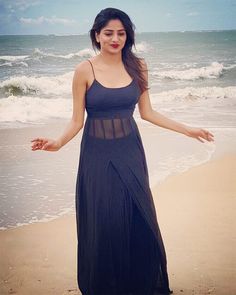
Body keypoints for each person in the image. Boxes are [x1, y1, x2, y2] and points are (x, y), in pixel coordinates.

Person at [31, 7, 214, 295]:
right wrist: (56, 143)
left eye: (121, 33)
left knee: (138, 215)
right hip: (96, 155)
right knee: (104, 221)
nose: (115, 38)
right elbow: (77, 120)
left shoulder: (137, 66)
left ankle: (138, 284)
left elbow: (148, 112)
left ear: (127, 36)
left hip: (130, 151)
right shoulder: (84, 70)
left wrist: (187, 129)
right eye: (108, 33)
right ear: (97, 36)